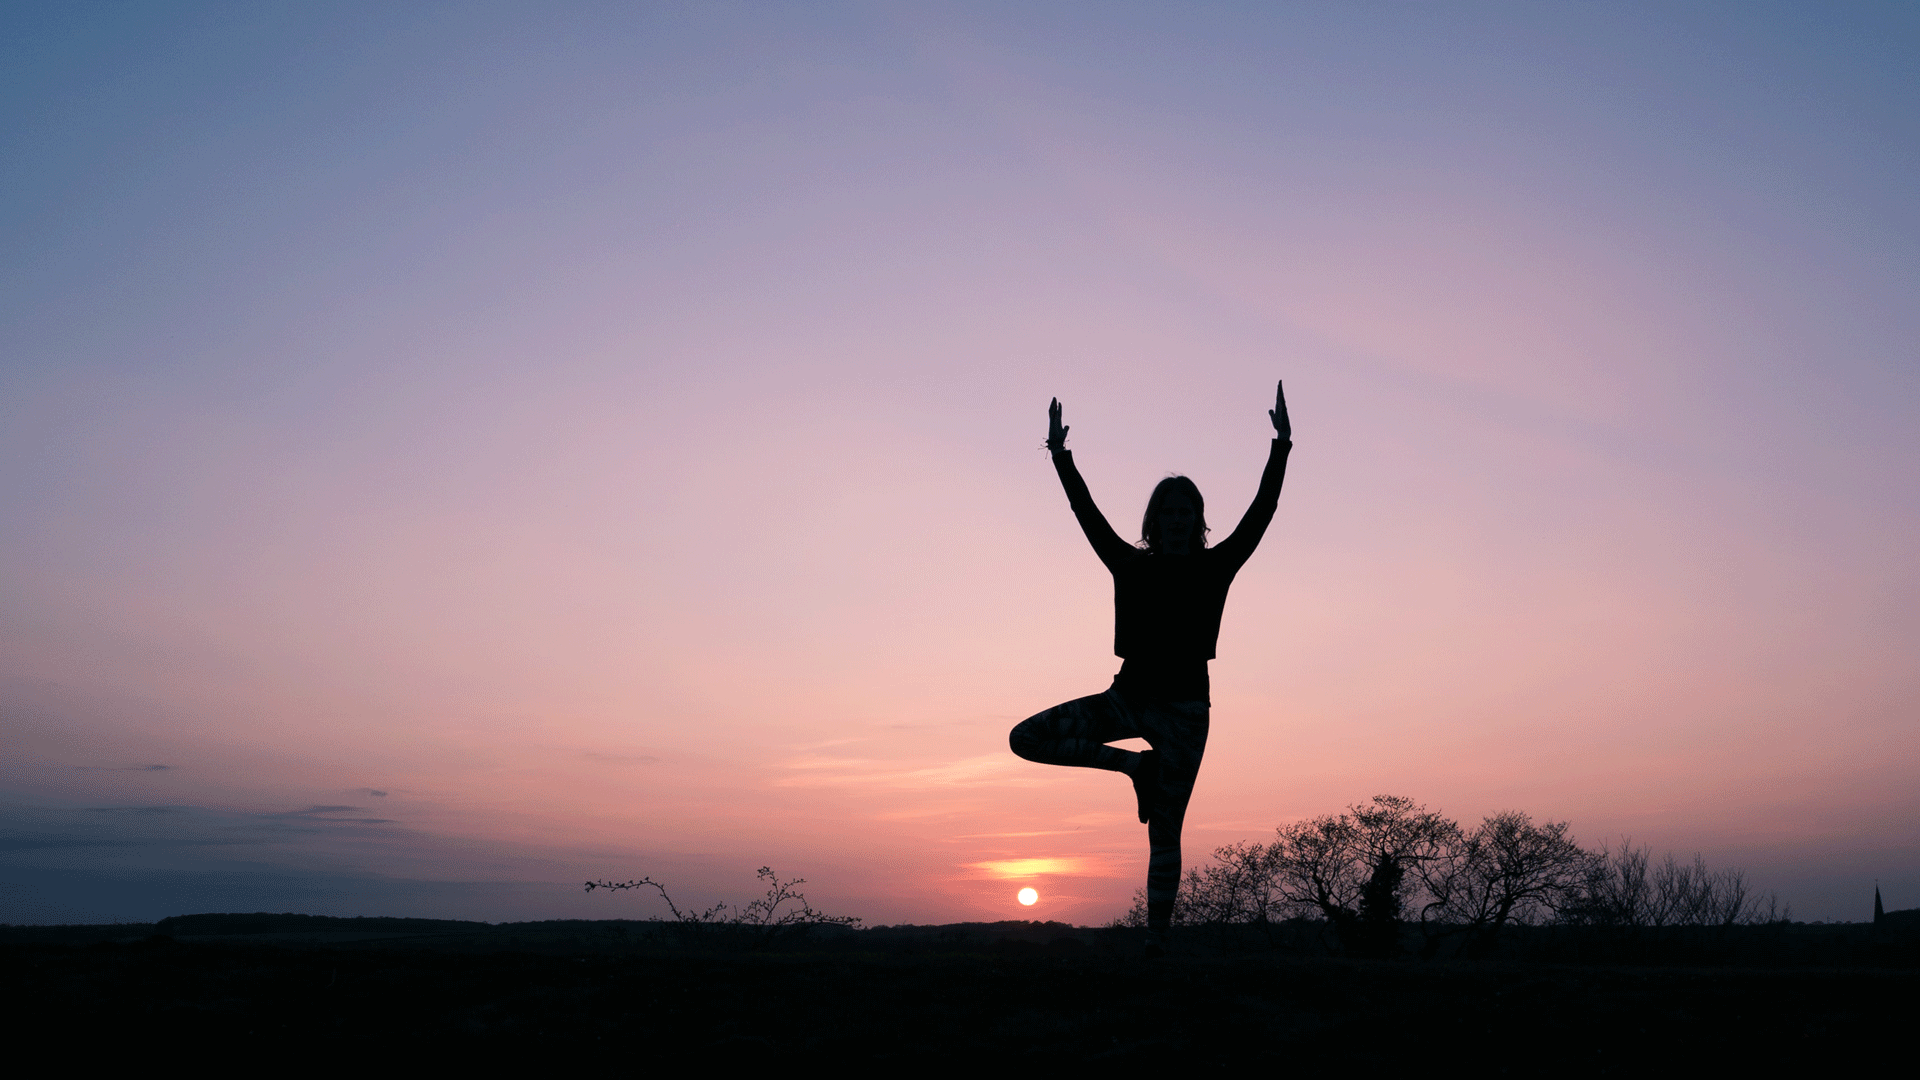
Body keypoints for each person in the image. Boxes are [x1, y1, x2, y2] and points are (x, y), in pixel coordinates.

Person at [1009, 382, 1292, 955]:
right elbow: (1085, 514)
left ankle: (1156, 946)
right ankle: (1133, 769)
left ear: (1198, 519)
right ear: (1155, 520)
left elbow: (1263, 513)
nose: (1178, 520)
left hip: (1186, 715)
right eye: (1168, 512)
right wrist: (1060, 455)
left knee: (1166, 834)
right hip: (1127, 699)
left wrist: (1281, 446)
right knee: (1027, 738)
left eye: (1186, 512)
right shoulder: (1128, 565)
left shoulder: (1218, 566)